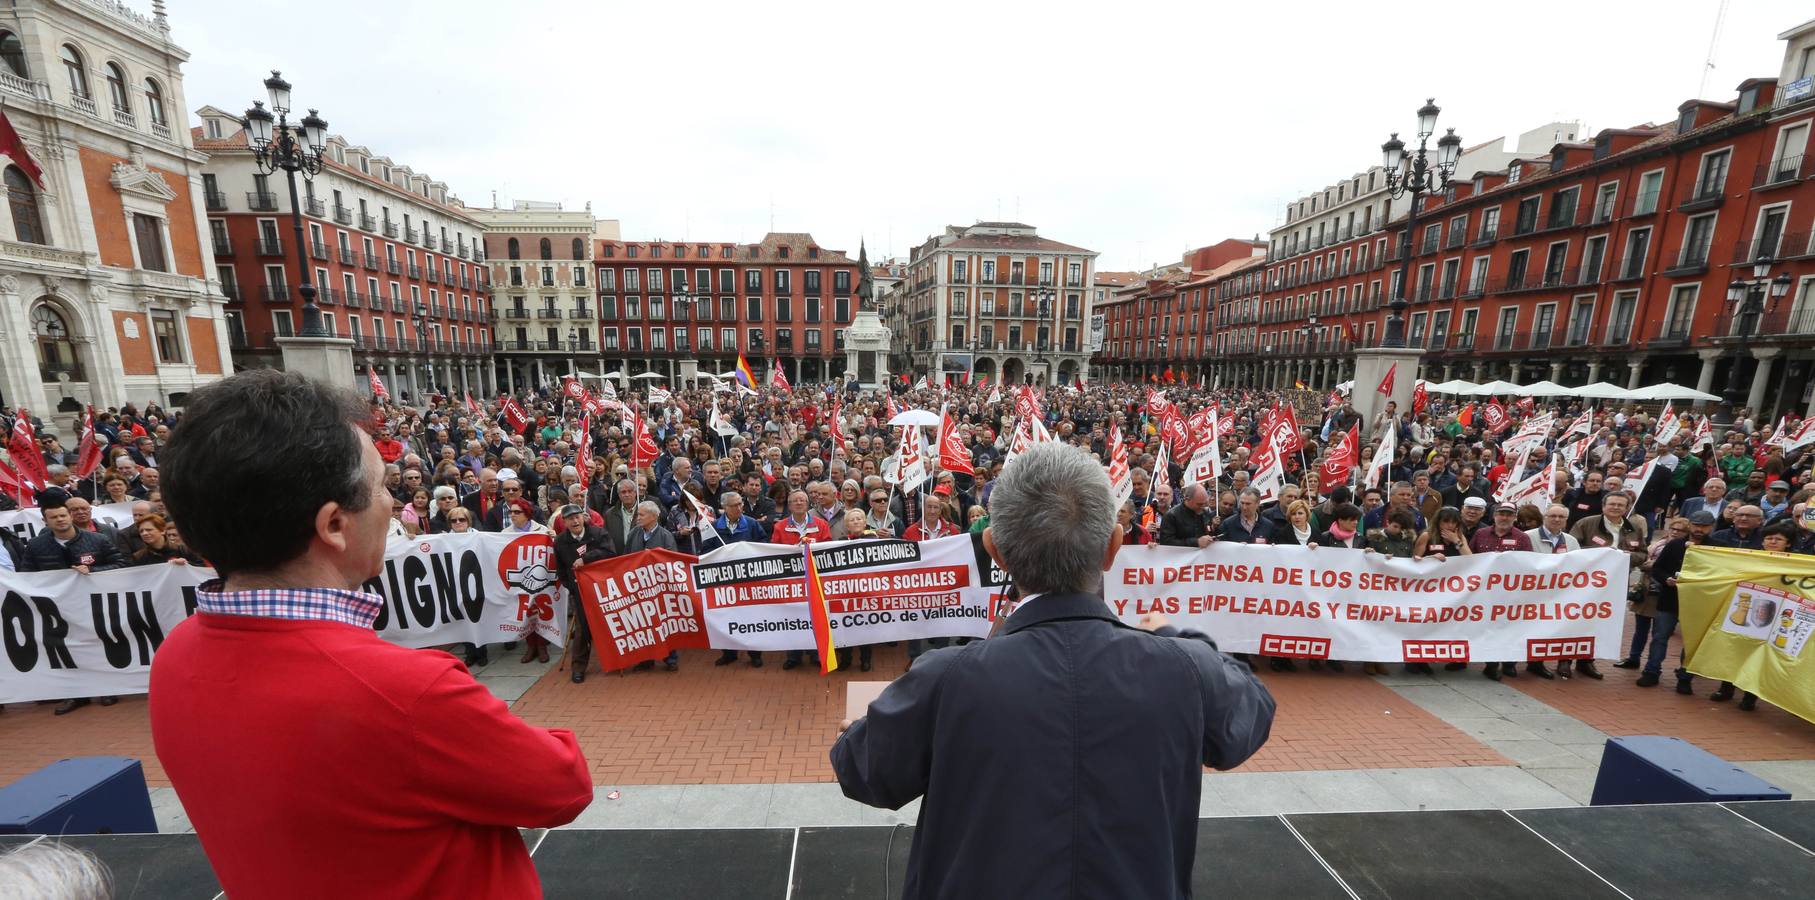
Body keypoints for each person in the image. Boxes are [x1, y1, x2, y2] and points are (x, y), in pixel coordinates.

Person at [150, 370, 592, 896]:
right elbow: (562, 784)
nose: (390, 504)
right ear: (334, 525)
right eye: (381, 484)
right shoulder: (406, 693)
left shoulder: (173, 656)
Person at [831, 442, 1275, 899]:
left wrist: (855, 735)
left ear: (995, 551)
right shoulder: (1184, 668)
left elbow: (862, 772)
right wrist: (1176, 638)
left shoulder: (945, 677)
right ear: (1113, 547)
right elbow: (1252, 710)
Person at [1643, 510, 1714, 693]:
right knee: (1660, 637)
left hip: (1699, 603)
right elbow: (1658, 569)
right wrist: (1666, 579)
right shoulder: (1675, 545)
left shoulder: (1717, 548)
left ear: (1711, 528)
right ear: (1690, 525)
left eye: (1704, 526)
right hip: (1670, 600)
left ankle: (1685, 677)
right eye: (1696, 525)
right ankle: (1651, 671)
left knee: (1691, 642)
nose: (1699, 529)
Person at [553, 504, 614, 684]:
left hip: (602, 589)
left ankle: (618, 660)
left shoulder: (598, 534)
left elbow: (610, 553)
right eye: (570, 518)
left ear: (583, 517)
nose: (575, 520)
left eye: (577, 516)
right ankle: (578, 667)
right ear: (564, 522)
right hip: (579, 592)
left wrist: (586, 558)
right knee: (582, 630)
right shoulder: (560, 541)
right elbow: (561, 571)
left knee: (610, 623)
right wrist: (571, 587)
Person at [623, 501, 680, 671]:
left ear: (654, 516)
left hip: (660, 589)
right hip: (639, 589)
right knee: (644, 625)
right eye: (637, 514)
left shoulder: (665, 536)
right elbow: (625, 557)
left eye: (641, 515)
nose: (637, 517)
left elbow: (672, 561)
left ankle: (670, 658)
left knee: (665, 624)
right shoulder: (634, 533)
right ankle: (646, 659)